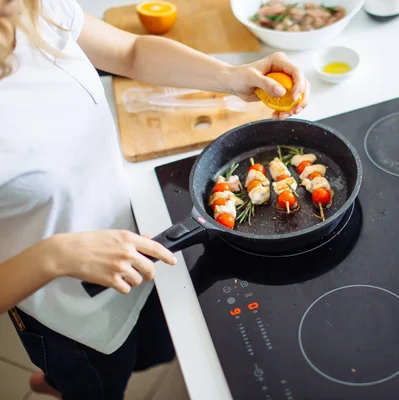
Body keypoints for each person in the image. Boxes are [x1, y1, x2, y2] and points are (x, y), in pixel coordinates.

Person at [0, 0, 310, 398]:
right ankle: (59, 381)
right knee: (95, 380)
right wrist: (55, 255)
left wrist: (232, 76)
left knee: (153, 345)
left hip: (137, 240)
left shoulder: (31, 9)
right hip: (67, 310)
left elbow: (130, 52)